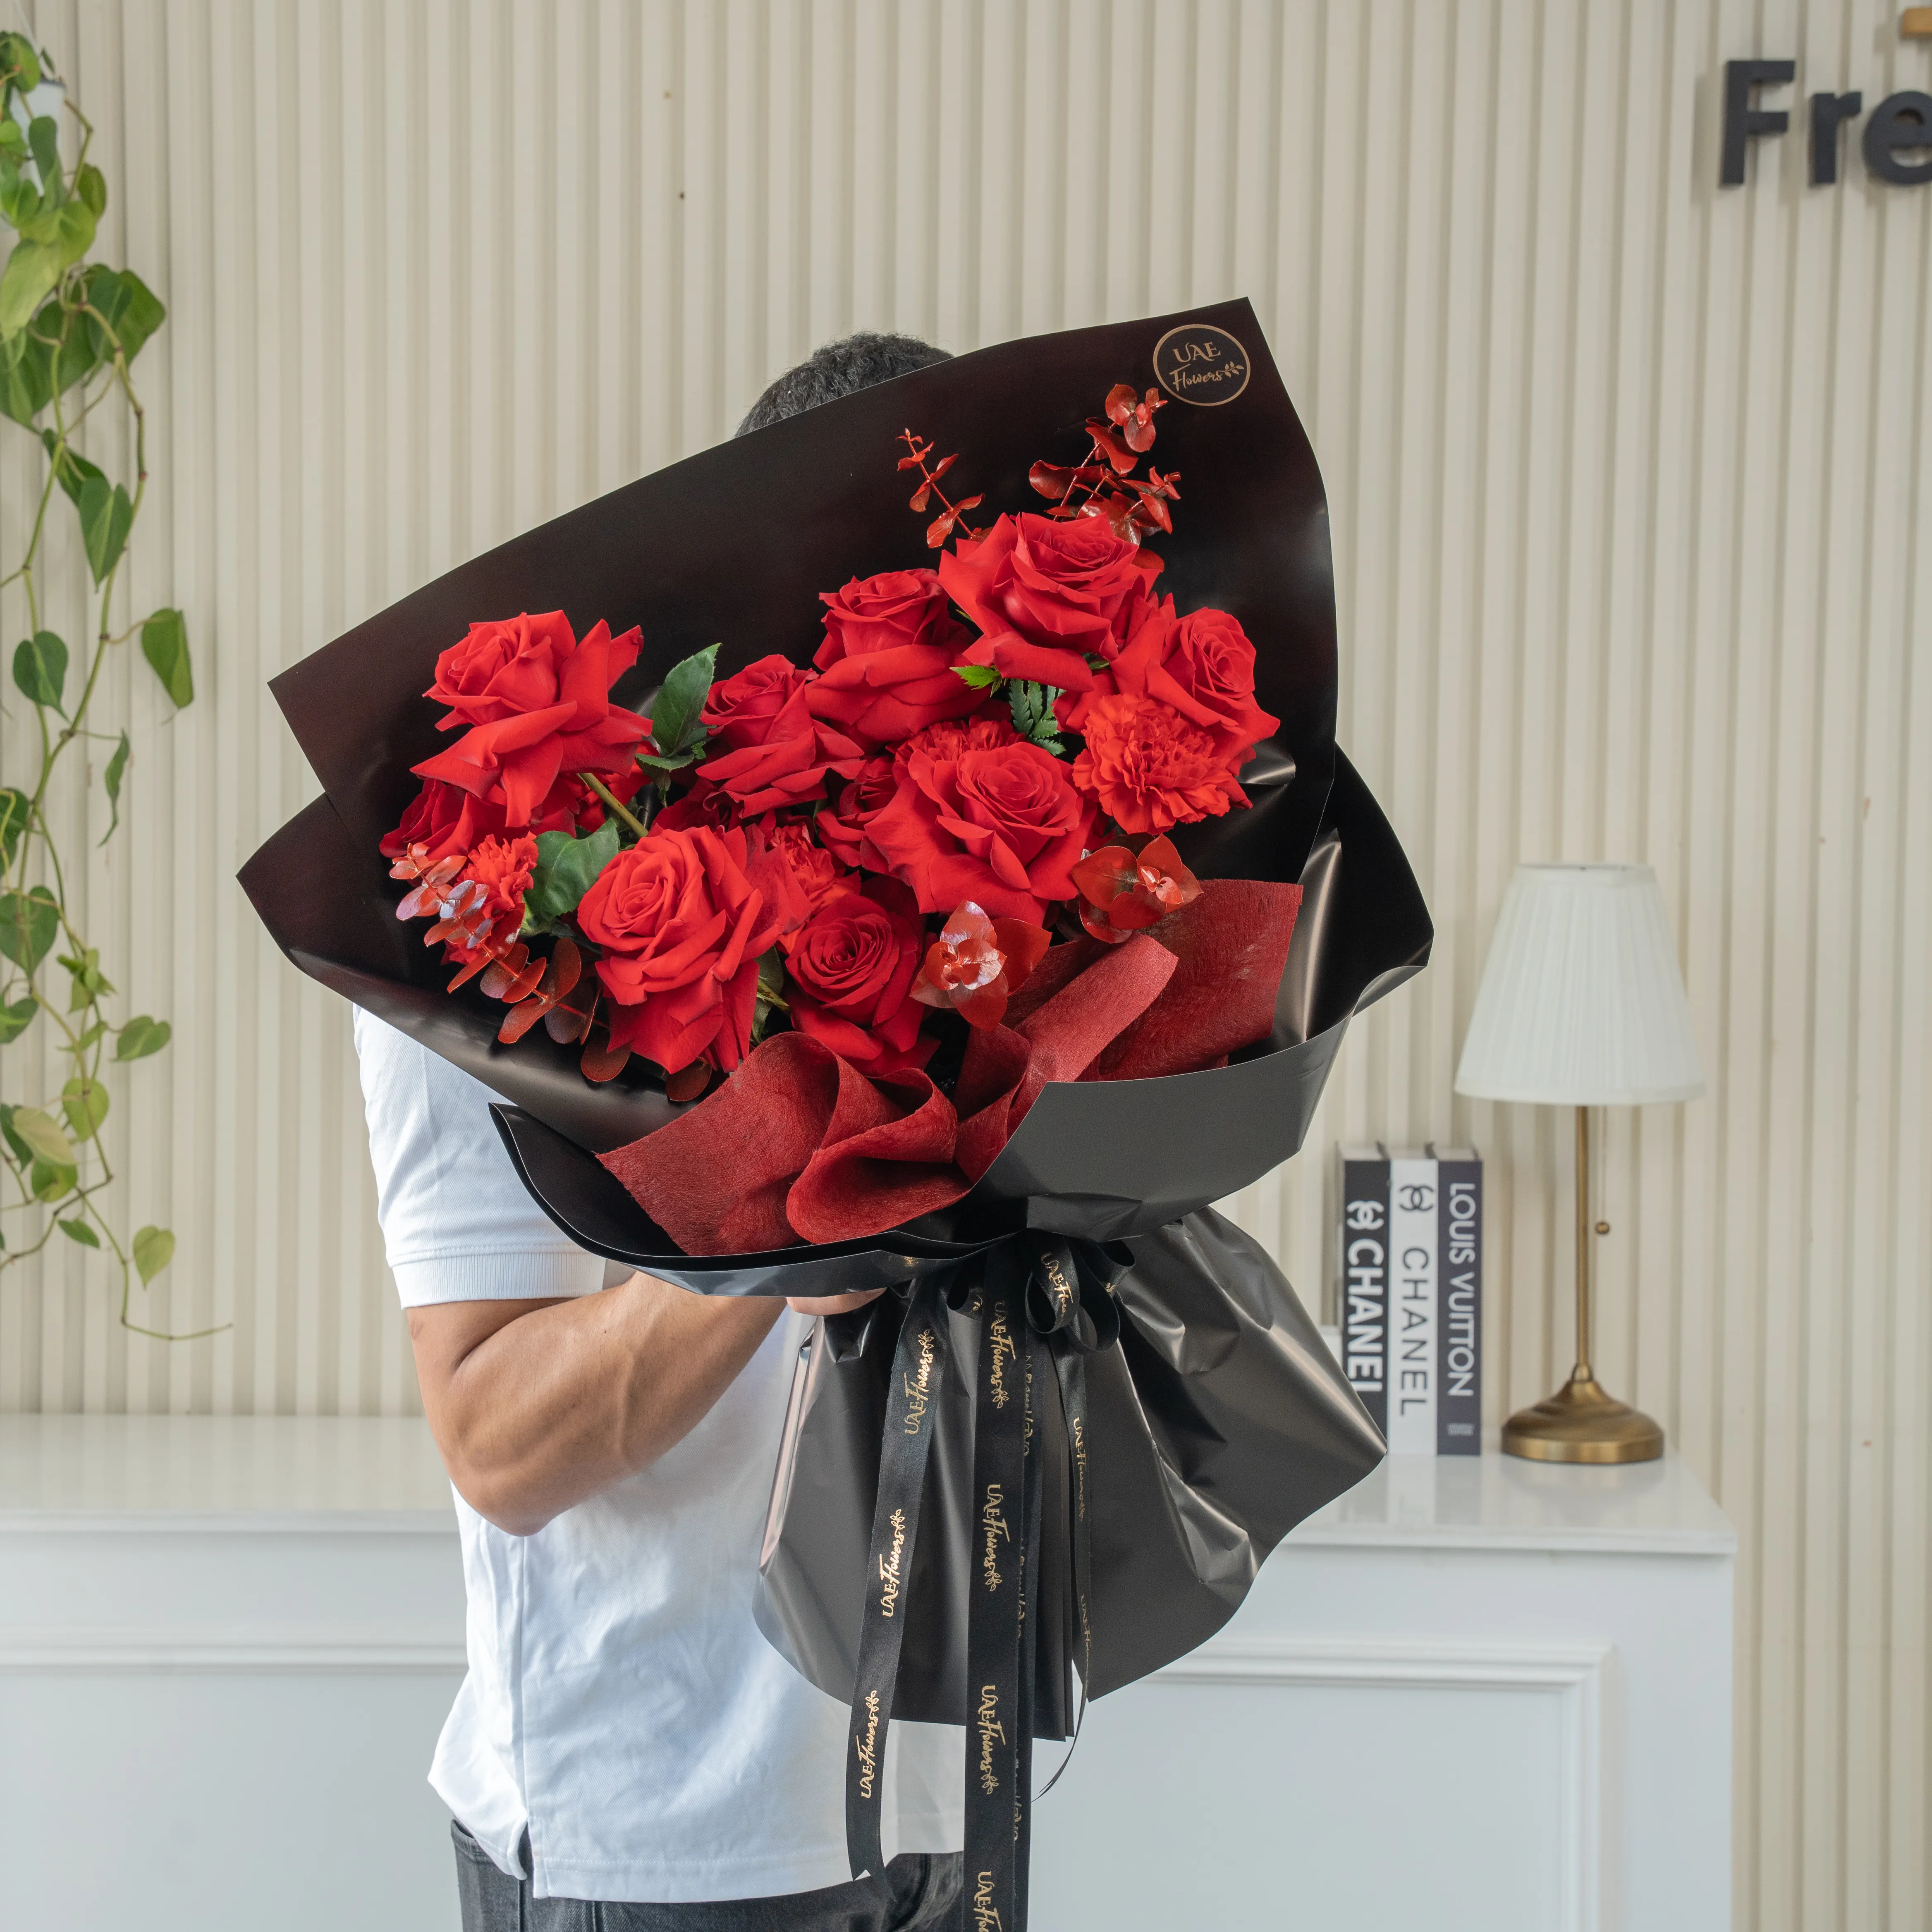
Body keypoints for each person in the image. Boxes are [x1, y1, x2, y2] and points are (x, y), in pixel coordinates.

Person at [355, 333, 965, 1932]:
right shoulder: (490, 924)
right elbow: (497, 1443)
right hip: (663, 1828)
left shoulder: (994, 890)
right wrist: (766, 1240)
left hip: (947, 1783)